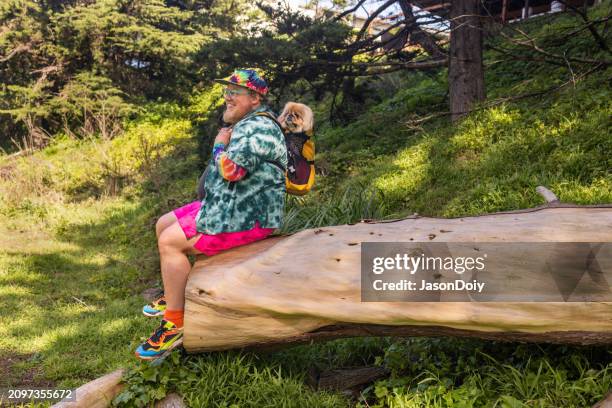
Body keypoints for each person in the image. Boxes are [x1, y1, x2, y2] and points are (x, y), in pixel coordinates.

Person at [135, 69, 288, 360]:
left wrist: (219, 143)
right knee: (163, 224)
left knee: (169, 242)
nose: (227, 97)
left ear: (255, 98)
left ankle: (174, 324)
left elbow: (232, 171)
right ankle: (175, 291)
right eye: (226, 91)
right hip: (228, 205)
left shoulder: (258, 128)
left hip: (247, 216)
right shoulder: (248, 124)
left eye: (235, 92)